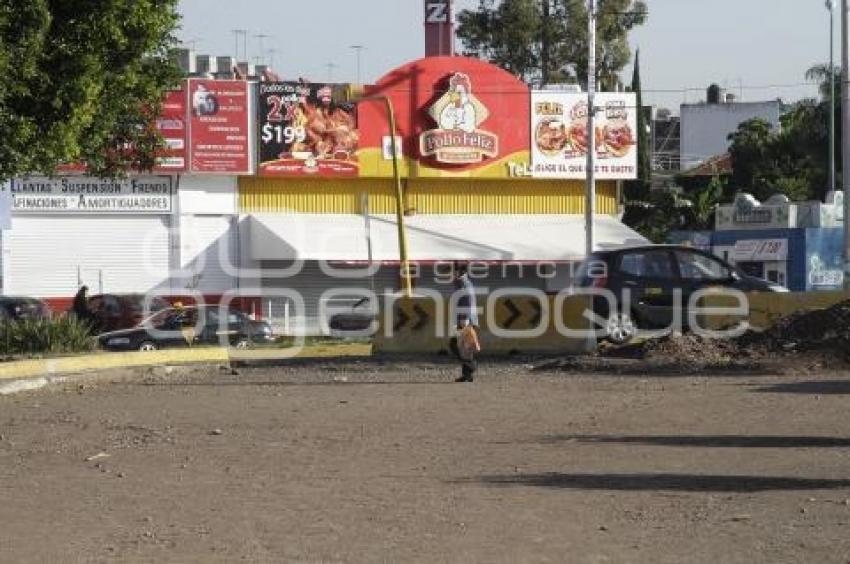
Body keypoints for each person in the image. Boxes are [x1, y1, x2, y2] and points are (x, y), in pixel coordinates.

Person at [454, 314, 480, 383]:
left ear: (468, 321)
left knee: (467, 360)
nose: (463, 322)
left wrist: (474, 347)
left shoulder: (469, 330)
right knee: (464, 361)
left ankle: (468, 375)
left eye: (465, 320)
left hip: (468, 348)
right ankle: (465, 376)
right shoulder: (462, 329)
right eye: (461, 320)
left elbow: (473, 340)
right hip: (464, 348)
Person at [453, 262, 479, 329]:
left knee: (460, 282)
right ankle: (461, 265)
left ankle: (459, 265)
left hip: (464, 297)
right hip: (466, 297)